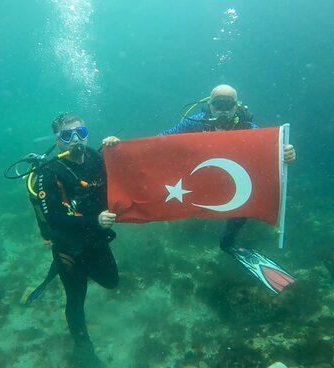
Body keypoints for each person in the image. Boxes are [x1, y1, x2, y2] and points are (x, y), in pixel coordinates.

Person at [104, 84, 296, 254]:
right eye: (218, 105)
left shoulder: (248, 125)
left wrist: (284, 153)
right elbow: (160, 141)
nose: (223, 111)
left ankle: (228, 240)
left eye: (228, 105)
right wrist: (123, 148)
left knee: (244, 200)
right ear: (210, 105)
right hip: (203, 176)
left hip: (231, 177)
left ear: (236, 106)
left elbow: (268, 149)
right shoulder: (195, 121)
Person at [26, 113, 119, 368]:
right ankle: (84, 351)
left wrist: (117, 149)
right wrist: (95, 219)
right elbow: (54, 217)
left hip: (97, 241)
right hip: (69, 248)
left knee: (112, 282)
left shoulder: (95, 157)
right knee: (76, 300)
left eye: (81, 132)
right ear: (58, 141)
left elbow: (122, 174)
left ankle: (74, 270)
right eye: (67, 136)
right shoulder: (48, 172)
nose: (76, 140)